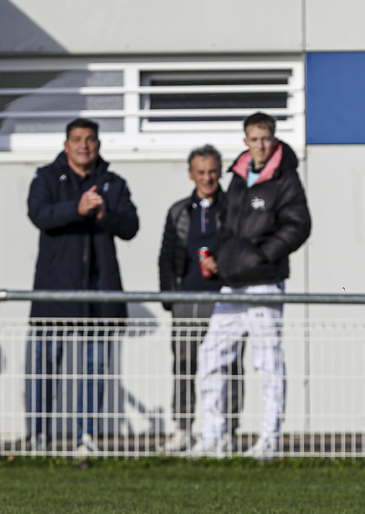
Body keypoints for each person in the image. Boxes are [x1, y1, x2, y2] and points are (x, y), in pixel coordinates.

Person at [191, 112, 311, 459]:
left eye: (266, 138)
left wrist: (260, 257)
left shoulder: (286, 178)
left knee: (268, 363)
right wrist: (220, 257)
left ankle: (269, 441)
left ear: (273, 139)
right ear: (245, 141)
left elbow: (299, 225)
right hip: (231, 287)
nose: (260, 145)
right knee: (211, 355)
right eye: (254, 139)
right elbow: (227, 226)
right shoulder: (238, 177)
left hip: (265, 284)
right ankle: (215, 438)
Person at [26, 118, 139, 456]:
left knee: (94, 368)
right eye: (77, 139)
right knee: (45, 366)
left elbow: (131, 227)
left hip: (99, 289)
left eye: (90, 139)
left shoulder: (113, 183)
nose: (84, 145)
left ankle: (85, 437)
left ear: (98, 145)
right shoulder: (46, 178)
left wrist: (104, 215)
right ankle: (38, 436)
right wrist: (76, 209)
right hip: (55, 290)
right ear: (66, 145)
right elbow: (38, 214)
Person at [158, 145, 244, 453]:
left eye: (211, 172)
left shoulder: (235, 207)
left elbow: (241, 246)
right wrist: (171, 300)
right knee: (184, 363)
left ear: (219, 172)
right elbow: (166, 257)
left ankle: (229, 431)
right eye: (200, 172)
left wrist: (223, 262)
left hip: (225, 300)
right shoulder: (179, 211)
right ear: (191, 174)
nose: (207, 178)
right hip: (187, 298)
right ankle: (183, 429)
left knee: (230, 366)